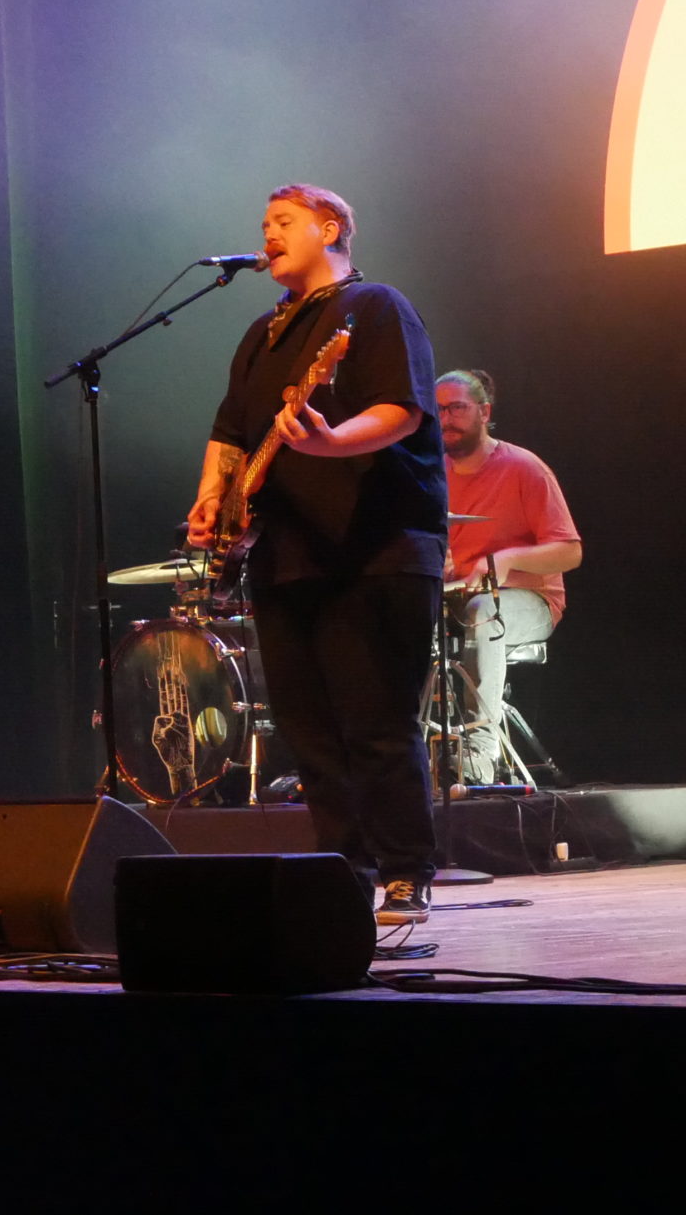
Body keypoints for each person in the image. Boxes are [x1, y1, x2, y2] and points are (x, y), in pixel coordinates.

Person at [185, 185, 448, 925]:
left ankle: (404, 872)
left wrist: (332, 442)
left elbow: (403, 408)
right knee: (309, 734)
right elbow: (230, 433)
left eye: (284, 221)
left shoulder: (376, 307)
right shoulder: (261, 333)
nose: (267, 234)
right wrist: (212, 500)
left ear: (329, 229)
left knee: (376, 720)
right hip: (285, 552)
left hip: (375, 548)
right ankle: (344, 872)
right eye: (264, 223)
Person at [437, 369, 581, 751]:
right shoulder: (433, 474)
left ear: (484, 412)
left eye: (457, 408)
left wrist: (507, 558)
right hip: (457, 596)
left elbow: (571, 552)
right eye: (439, 410)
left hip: (529, 602)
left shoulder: (524, 468)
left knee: (484, 609)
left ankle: (480, 749)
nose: (446, 419)